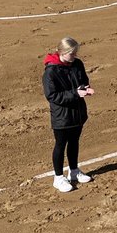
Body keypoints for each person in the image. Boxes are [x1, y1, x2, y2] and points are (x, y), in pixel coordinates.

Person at [42, 36, 94, 193]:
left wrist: (85, 88)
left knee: (74, 142)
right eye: (71, 53)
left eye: (75, 53)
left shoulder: (77, 64)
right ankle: (58, 178)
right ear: (62, 52)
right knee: (60, 145)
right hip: (62, 116)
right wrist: (76, 93)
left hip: (77, 113)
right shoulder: (51, 72)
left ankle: (74, 171)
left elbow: (83, 79)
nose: (74, 56)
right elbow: (53, 96)